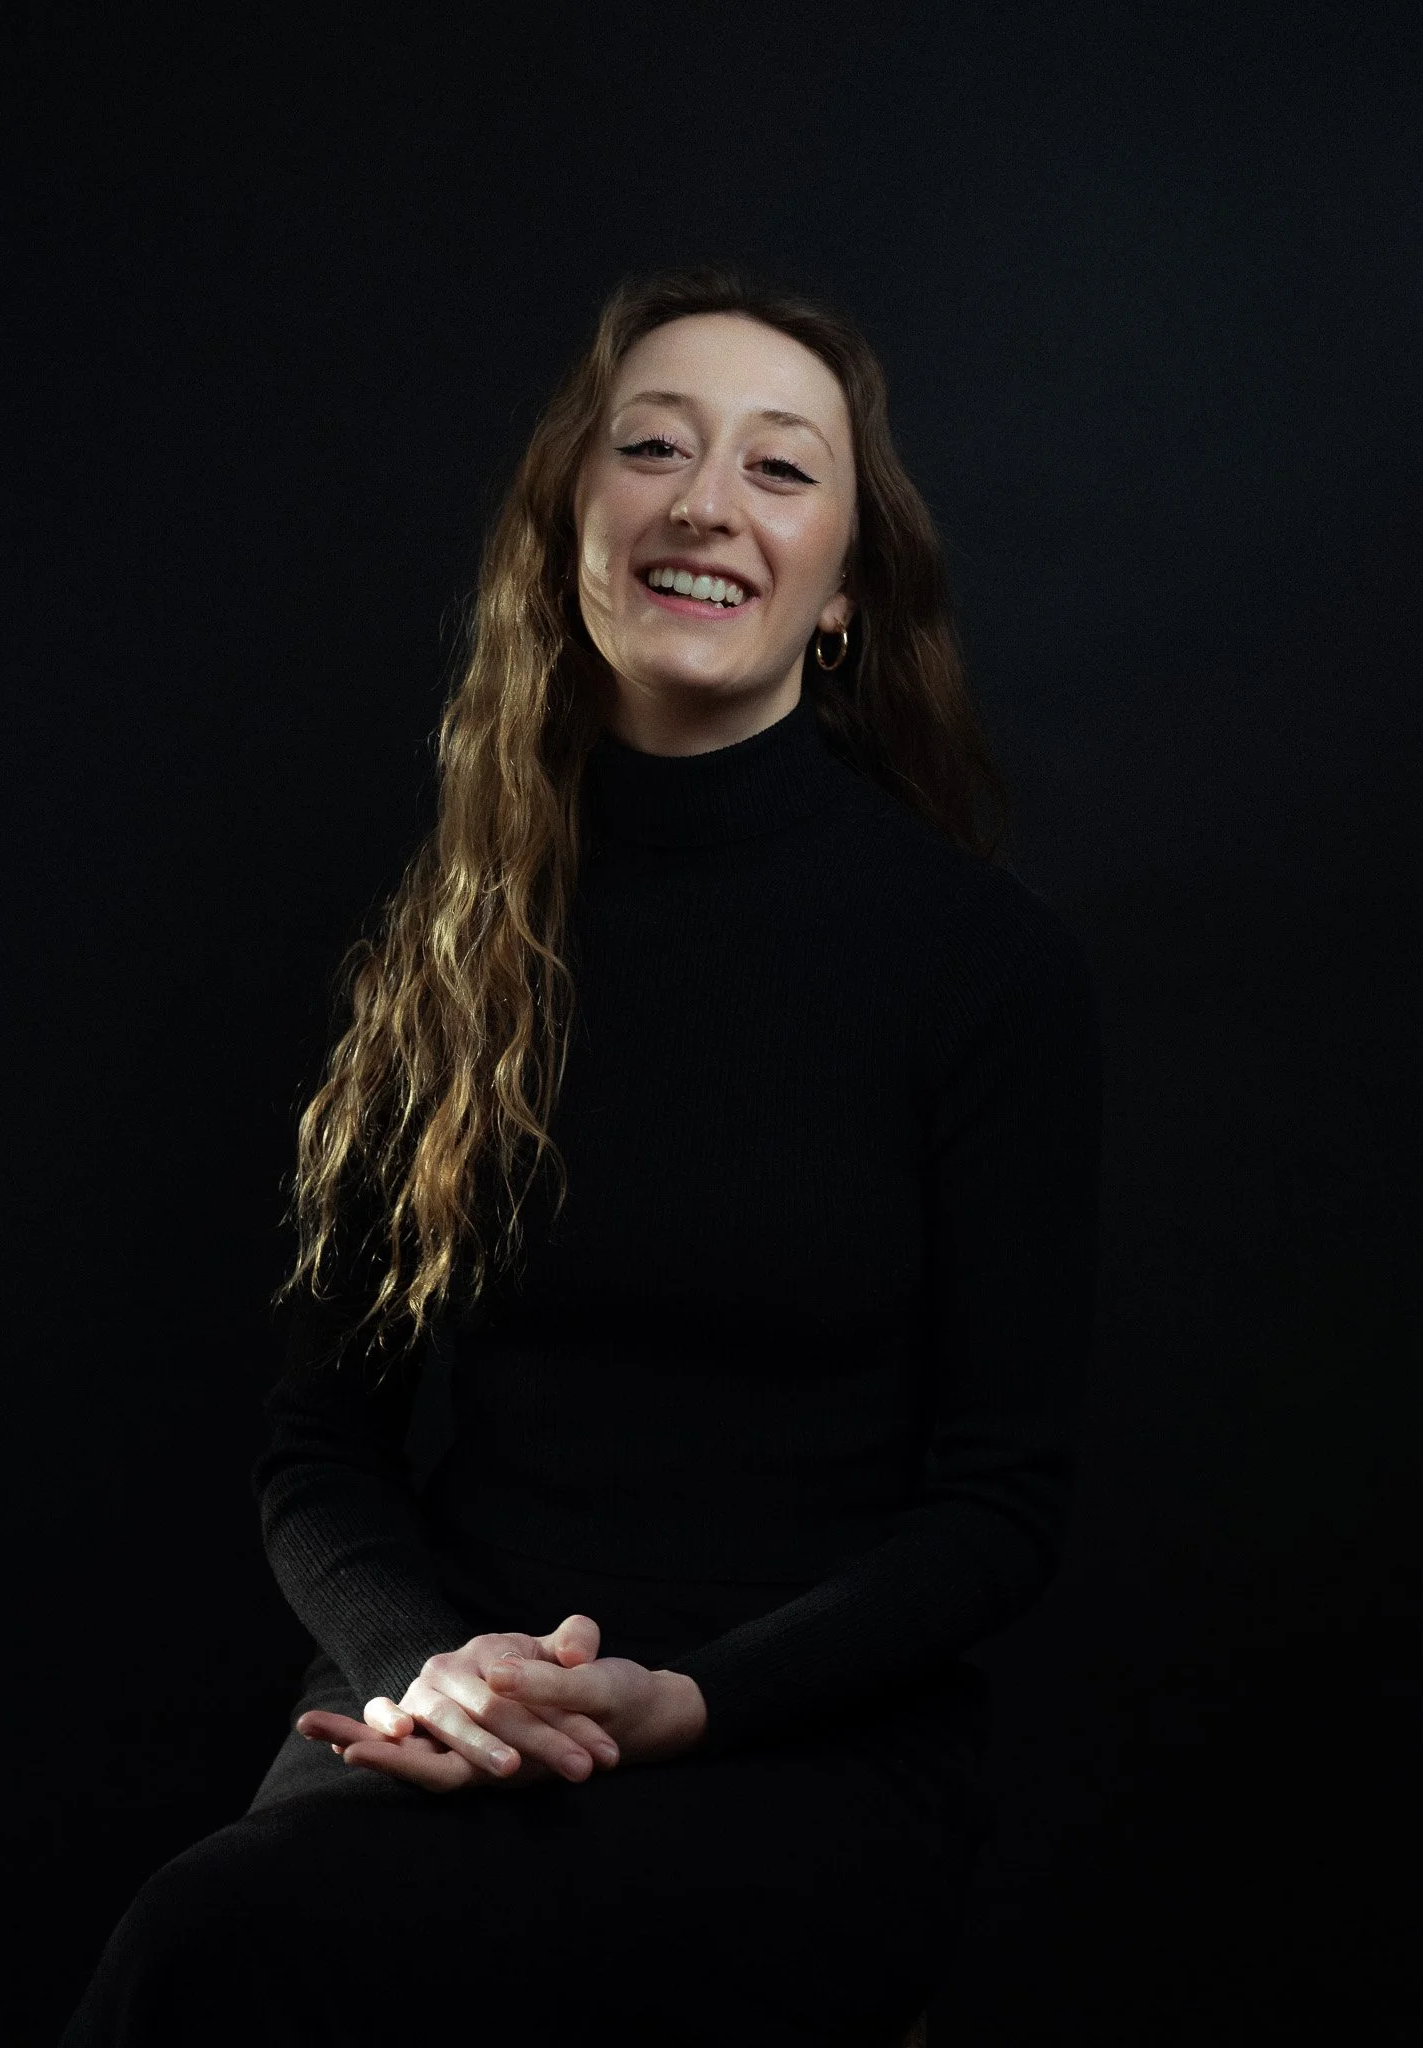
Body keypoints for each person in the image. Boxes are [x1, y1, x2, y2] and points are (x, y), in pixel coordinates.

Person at [60, 265, 1103, 2045]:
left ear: (842, 592)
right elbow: (322, 1446)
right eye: (653, 448)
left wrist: (685, 1701)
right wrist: (425, 1666)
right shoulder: (445, 942)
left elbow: (995, 1510)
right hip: (457, 1685)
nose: (705, 500)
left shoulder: (978, 966)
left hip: (797, 1734)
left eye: (779, 469)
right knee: (210, 1952)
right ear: (568, 531)